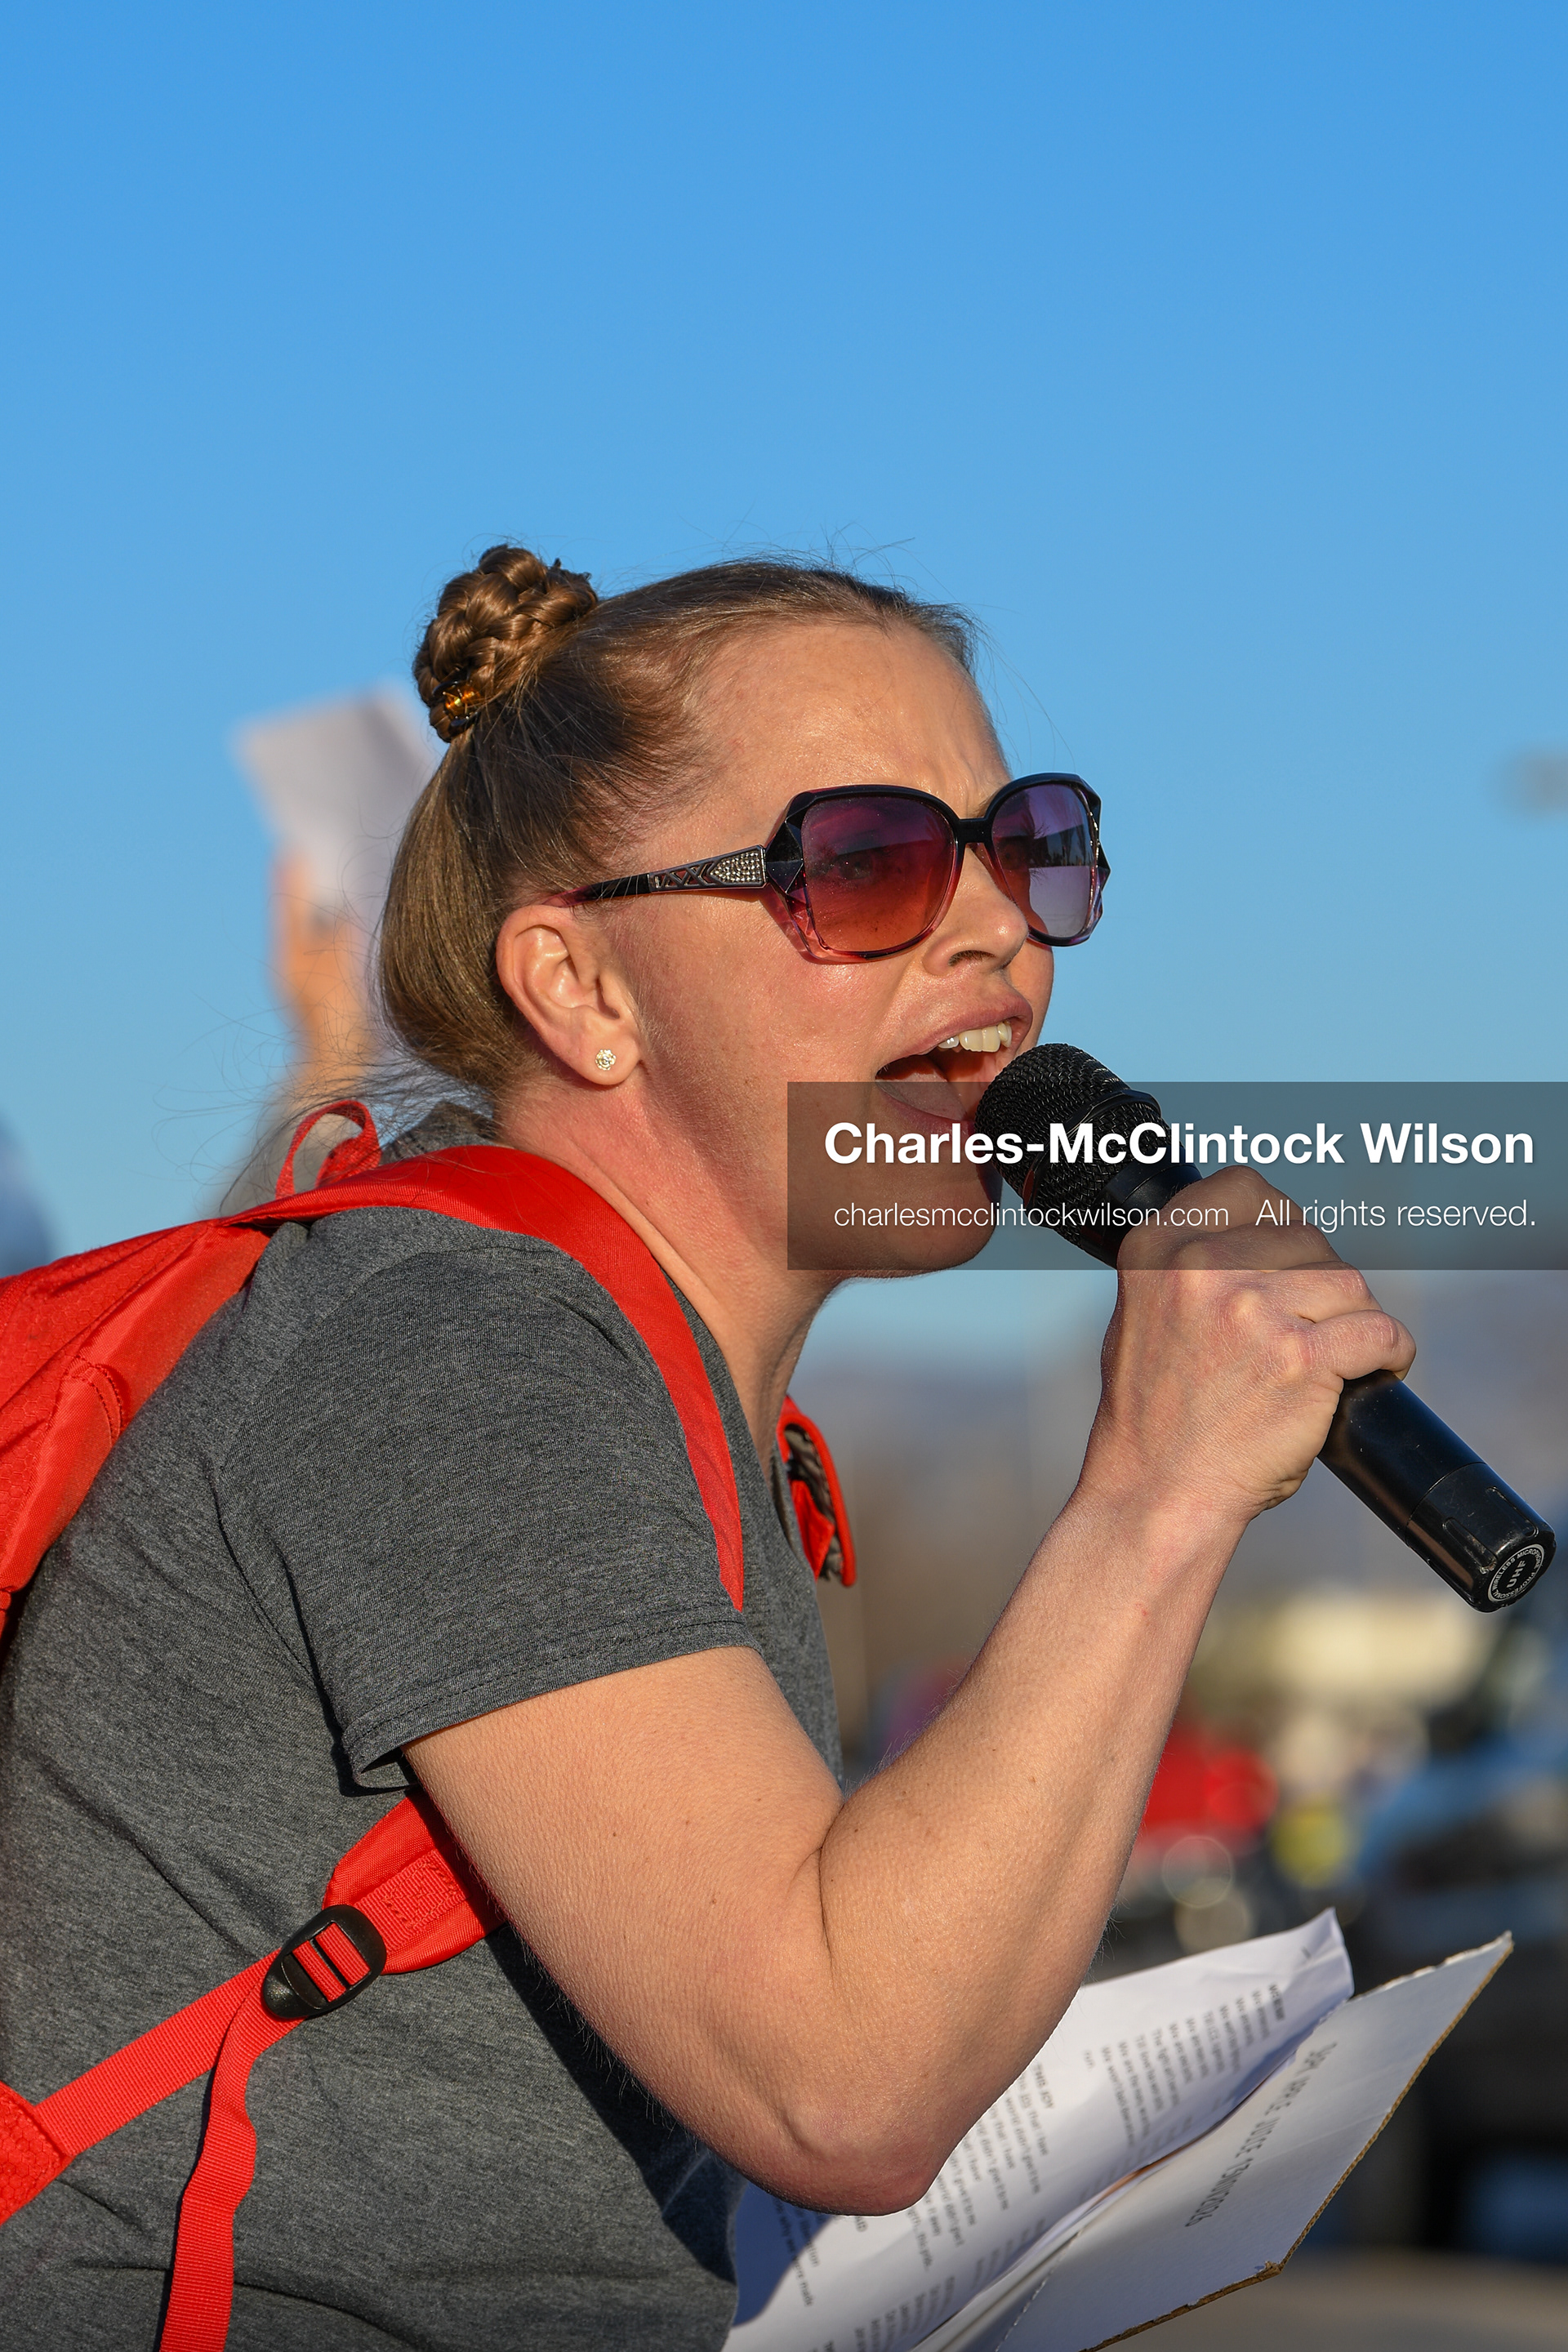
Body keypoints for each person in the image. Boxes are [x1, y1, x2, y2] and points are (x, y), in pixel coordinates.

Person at [0, 546, 1414, 2349]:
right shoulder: (454, 1348)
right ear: (583, 992)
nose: (995, 929)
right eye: (871, 863)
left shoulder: (678, 1413)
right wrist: (1157, 1489)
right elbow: (840, 2078)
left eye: (1029, 845)